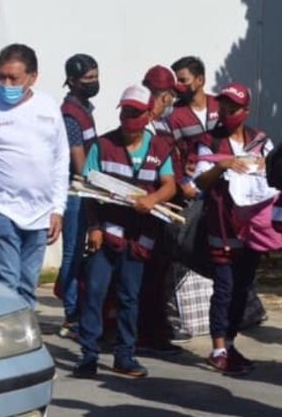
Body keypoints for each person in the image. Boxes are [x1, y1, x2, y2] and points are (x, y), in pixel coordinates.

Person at [73, 84, 176, 379]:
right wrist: (93, 227)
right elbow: (89, 190)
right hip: (106, 234)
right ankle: (89, 356)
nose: (129, 117)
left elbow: (169, 184)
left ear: (147, 113)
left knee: (130, 296)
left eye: (135, 112)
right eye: (126, 111)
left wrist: (152, 199)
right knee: (94, 292)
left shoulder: (159, 148)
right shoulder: (103, 146)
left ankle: (124, 356)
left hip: (139, 238)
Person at [193, 83, 273, 376]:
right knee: (224, 288)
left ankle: (230, 341)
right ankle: (217, 348)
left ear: (246, 111)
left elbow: (276, 172)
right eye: (223, 108)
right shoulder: (209, 142)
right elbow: (199, 182)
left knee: (243, 287)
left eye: (233, 109)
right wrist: (222, 165)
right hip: (222, 225)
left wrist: (265, 164)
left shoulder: (259, 141)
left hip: (252, 228)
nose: (226, 113)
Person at [0, 43, 68, 306]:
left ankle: (25, 340)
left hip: (40, 214)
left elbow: (60, 158)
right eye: (2, 77)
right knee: (6, 284)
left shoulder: (48, 106)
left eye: (14, 78)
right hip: (1, 211)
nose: (6, 84)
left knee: (27, 284)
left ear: (33, 77)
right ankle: (7, 339)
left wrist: (58, 209)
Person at [136, 65, 186, 355]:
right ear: (161, 95)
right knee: (149, 275)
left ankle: (154, 329)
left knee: (158, 272)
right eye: (169, 97)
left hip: (162, 208)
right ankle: (148, 332)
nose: (171, 103)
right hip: (148, 210)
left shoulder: (161, 128)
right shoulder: (142, 127)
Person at [55, 53, 100, 338]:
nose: (94, 83)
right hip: (76, 190)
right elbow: (79, 158)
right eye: (88, 79)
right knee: (72, 252)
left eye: (96, 77)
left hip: (86, 188)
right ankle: (71, 316)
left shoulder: (84, 107)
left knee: (78, 252)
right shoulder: (71, 113)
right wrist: (94, 182)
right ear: (72, 81)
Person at [169, 56, 219, 199]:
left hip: (223, 177)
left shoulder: (220, 105)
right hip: (193, 184)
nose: (179, 86)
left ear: (200, 80)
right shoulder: (173, 114)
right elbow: (173, 152)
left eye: (183, 80)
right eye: (176, 81)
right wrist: (181, 180)